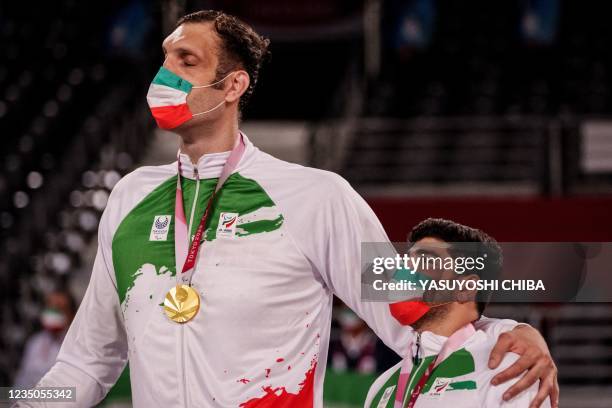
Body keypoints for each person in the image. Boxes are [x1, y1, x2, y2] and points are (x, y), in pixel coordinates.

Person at [19, 10, 557, 407]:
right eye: (164, 58)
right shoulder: (129, 198)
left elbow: (415, 318)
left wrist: (510, 330)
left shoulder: (315, 199)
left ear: (233, 85)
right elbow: (86, 360)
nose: (164, 75)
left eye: (186, 61)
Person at [365, 218, 552, 407]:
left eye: (426, 260)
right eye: (408, 261)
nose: (406, 272)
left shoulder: (508, 373)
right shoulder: (382, 386)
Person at [13, 290, 76, 389]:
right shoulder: (34, 342)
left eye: (60, 308)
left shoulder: (76, 346)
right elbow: (22, 380)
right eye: (50, 307)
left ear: (72, 315)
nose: (54, 313)